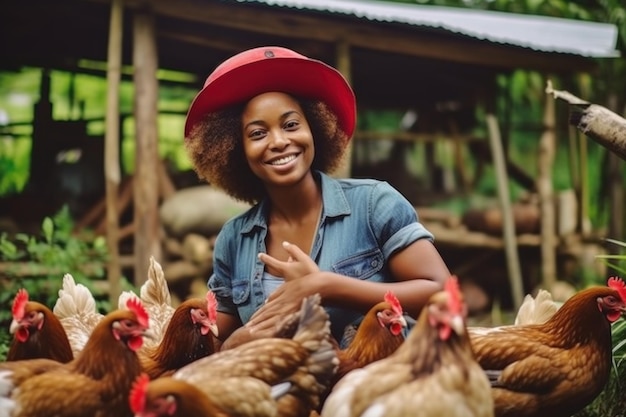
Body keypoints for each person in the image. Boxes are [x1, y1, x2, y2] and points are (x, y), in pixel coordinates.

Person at [183, 46, 451, 349]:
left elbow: (441, 292)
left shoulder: (374, 204)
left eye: (291, 125)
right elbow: (219, 337)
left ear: (315, 129)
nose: (280, 141)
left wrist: (325, 286)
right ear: (235, 151)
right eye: (258, 133)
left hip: (380, 388)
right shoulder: (234, 239)